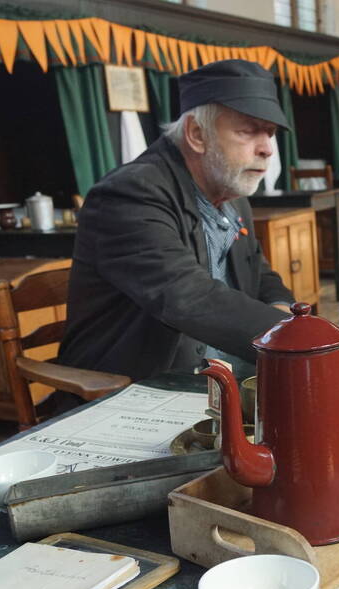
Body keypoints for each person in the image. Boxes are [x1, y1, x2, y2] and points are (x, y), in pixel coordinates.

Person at [57, 59, 294, 385]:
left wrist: (281, 308)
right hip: (139, 388)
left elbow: (259, 270)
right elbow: (189, 298)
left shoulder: (232, 191)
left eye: (269, 133)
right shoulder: (129, 194)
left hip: (231, 380)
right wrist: (299, 337)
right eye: (247, 131)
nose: (267, 149)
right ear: (197, 134)